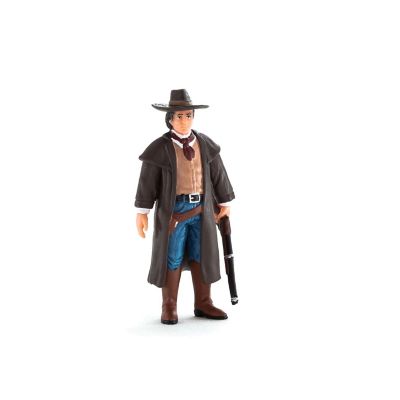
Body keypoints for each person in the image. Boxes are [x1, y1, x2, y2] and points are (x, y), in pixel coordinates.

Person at [135, 89, 235, 324]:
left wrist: (225, 202)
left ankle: (204, 301)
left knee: (202, 253)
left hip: (203, 210)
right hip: (174, 212)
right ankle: (169, 304)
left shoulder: (205, 144)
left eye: (188, 115)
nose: (184, 120)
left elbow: (219, 174)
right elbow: (147, 182)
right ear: (170, 118)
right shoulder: (160, 149)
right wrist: (142, 212)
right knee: (172, 255)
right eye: (179, 116)